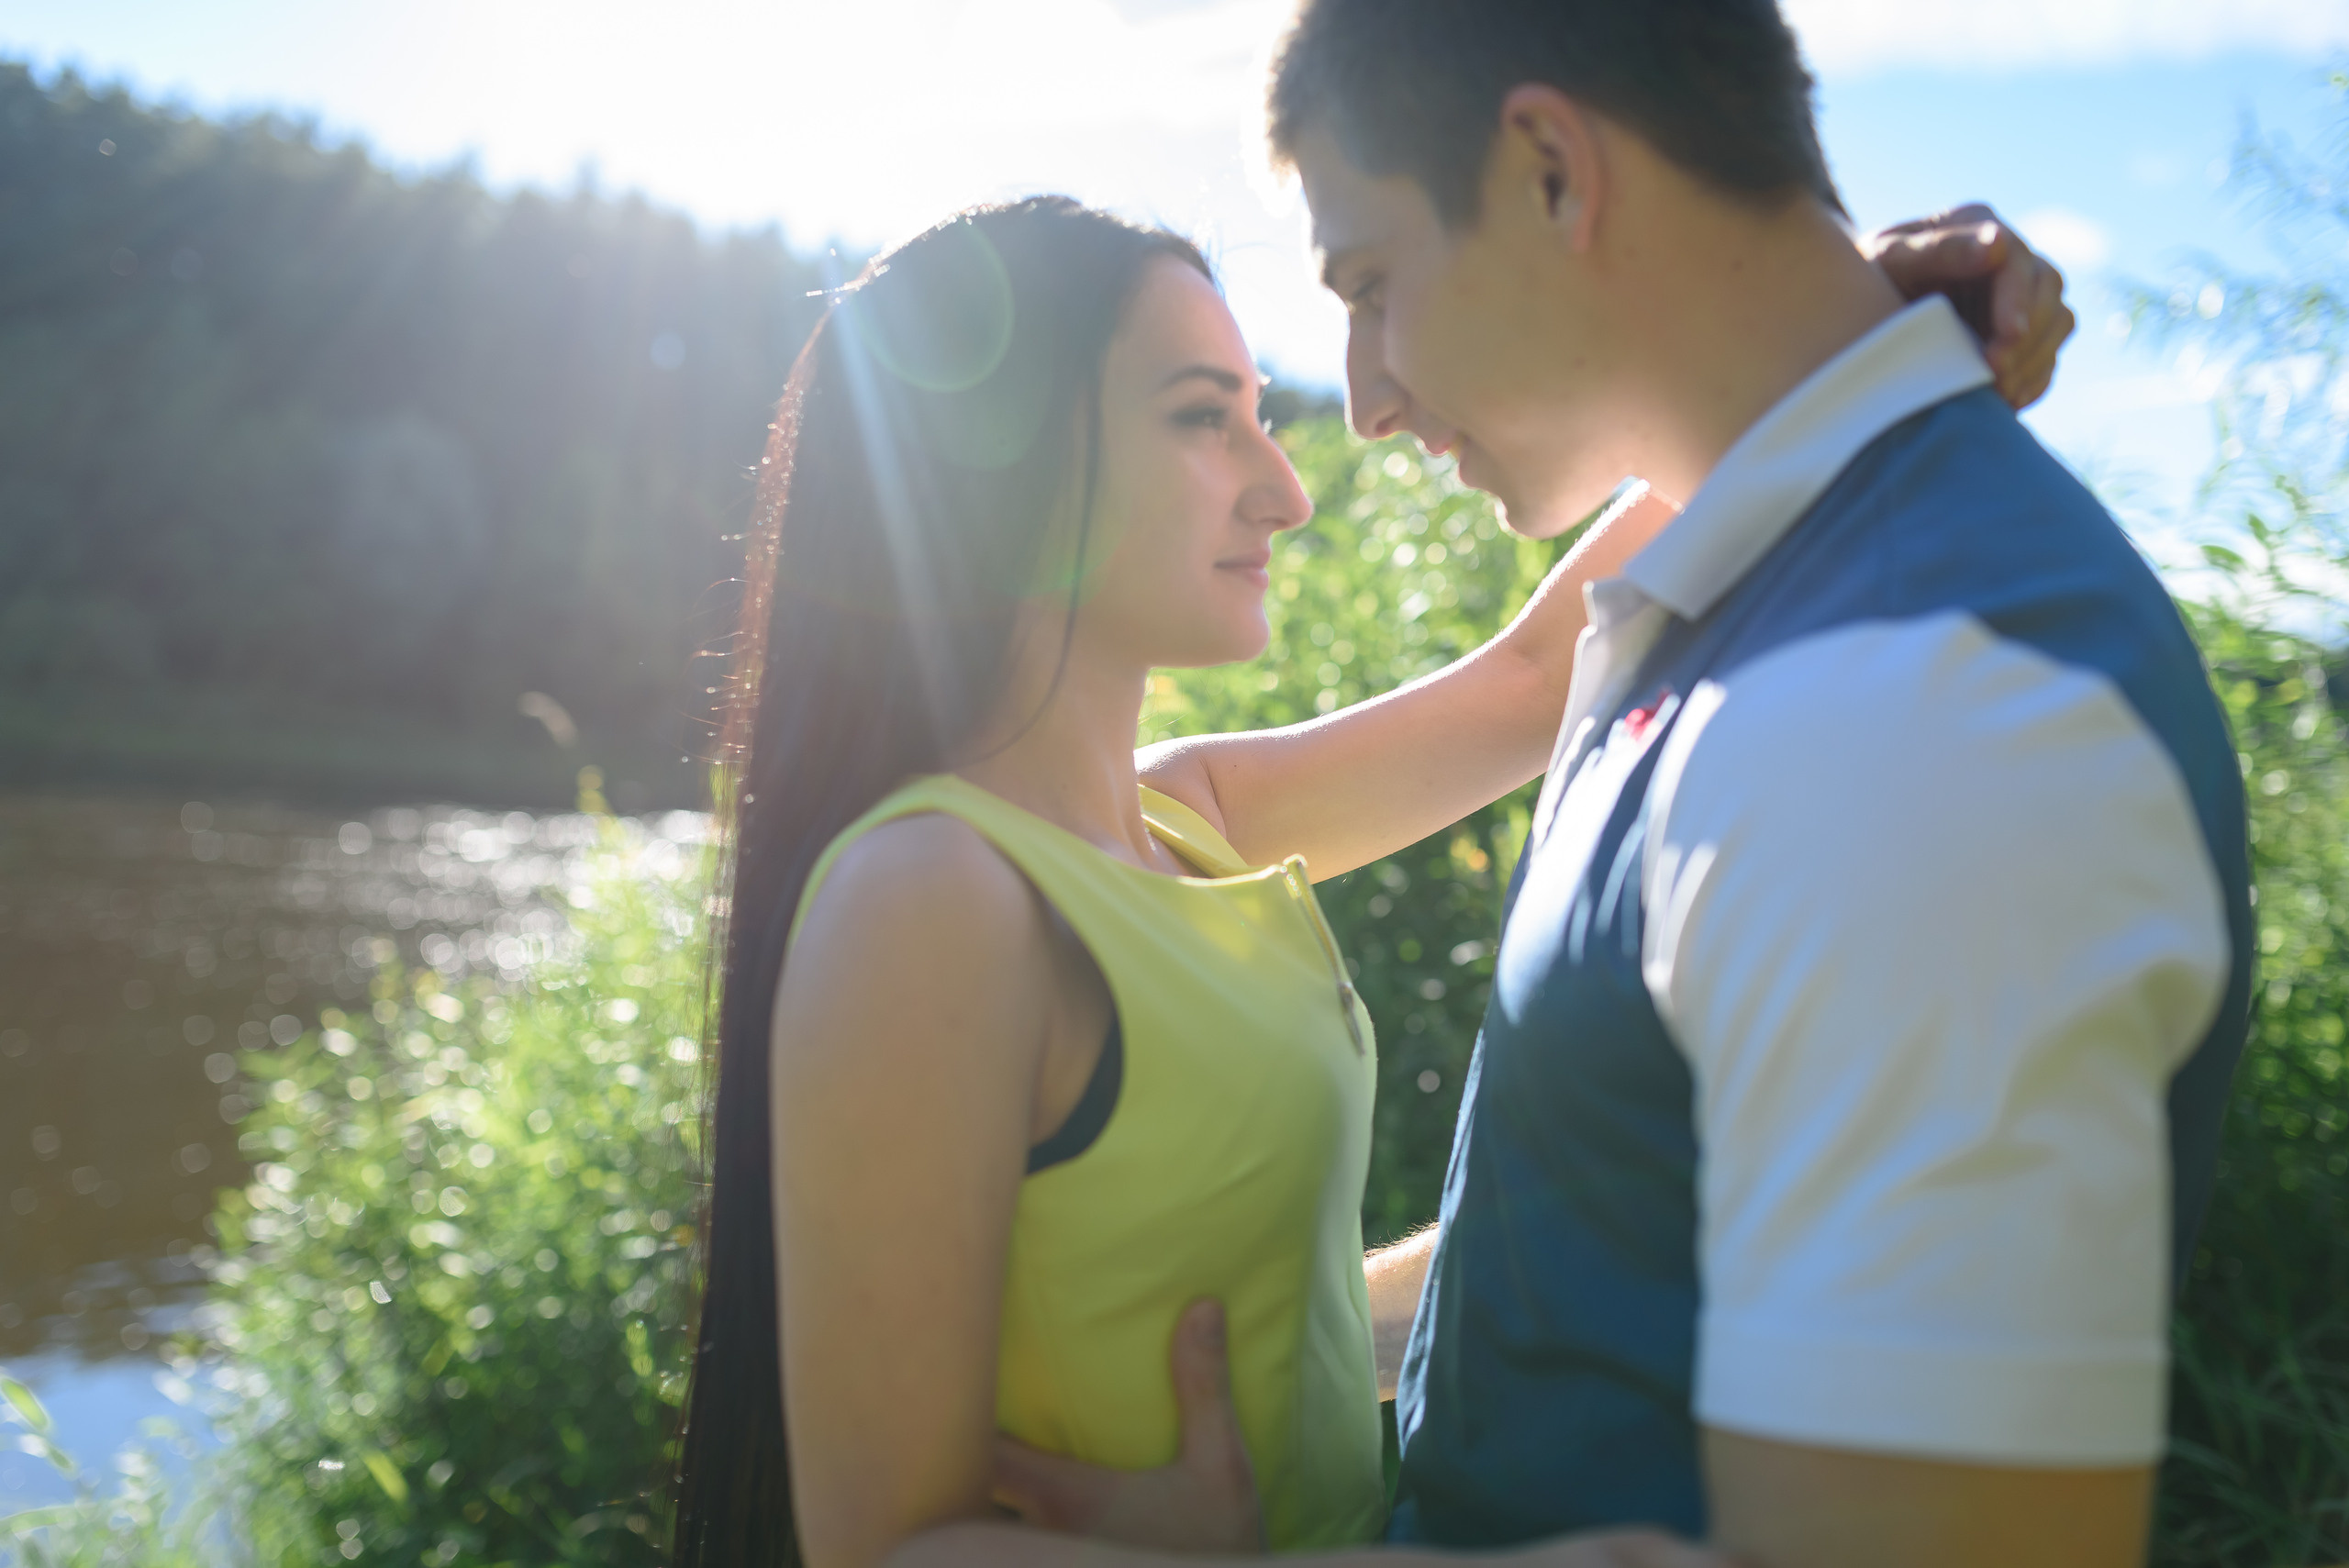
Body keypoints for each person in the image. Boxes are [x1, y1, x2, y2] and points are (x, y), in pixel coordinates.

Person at [991, 5, 2252, 1567]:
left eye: (1370, 285)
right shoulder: (1723, 602)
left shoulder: (1912, 717)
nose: (1362, 401)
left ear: (1551, 169)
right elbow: (1616, 1234)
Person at [671, 193, 2078, 1568]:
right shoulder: (937, 895)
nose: (1282, 491)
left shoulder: (1186, 820)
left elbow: (1538, 675)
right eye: (1202, 419)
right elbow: (883, 1540)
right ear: (1005, 464)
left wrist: (1837, 338)